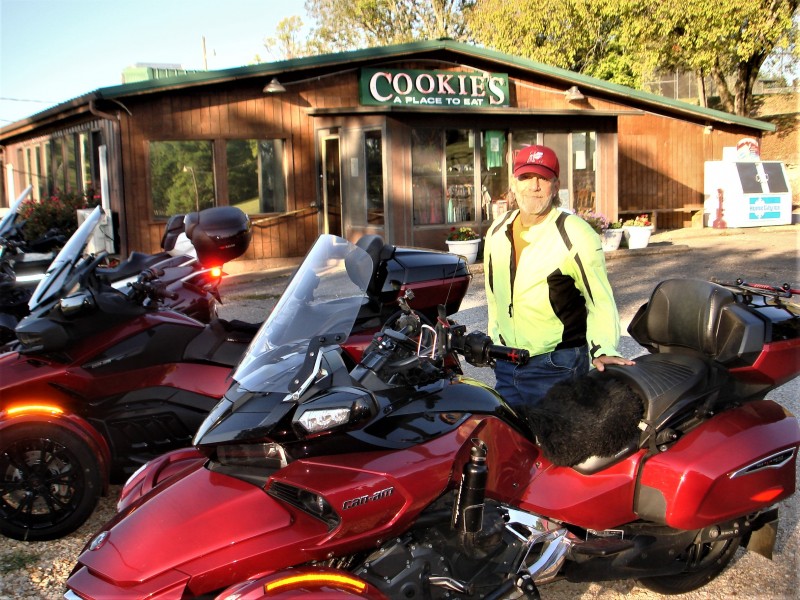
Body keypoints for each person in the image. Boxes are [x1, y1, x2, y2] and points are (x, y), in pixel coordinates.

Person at [484, 144, 633, 411]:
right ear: (514, 183)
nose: (534, 186)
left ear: (556, 185)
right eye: (526, 177)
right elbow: (494, 294)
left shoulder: (575, 233)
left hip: (555, 366)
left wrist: (604, 348)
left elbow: (599, 298)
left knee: (557, 448)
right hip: (506, 364)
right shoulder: (497, 230)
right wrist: (495, 340)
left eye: (543, 178)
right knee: (511, 444)